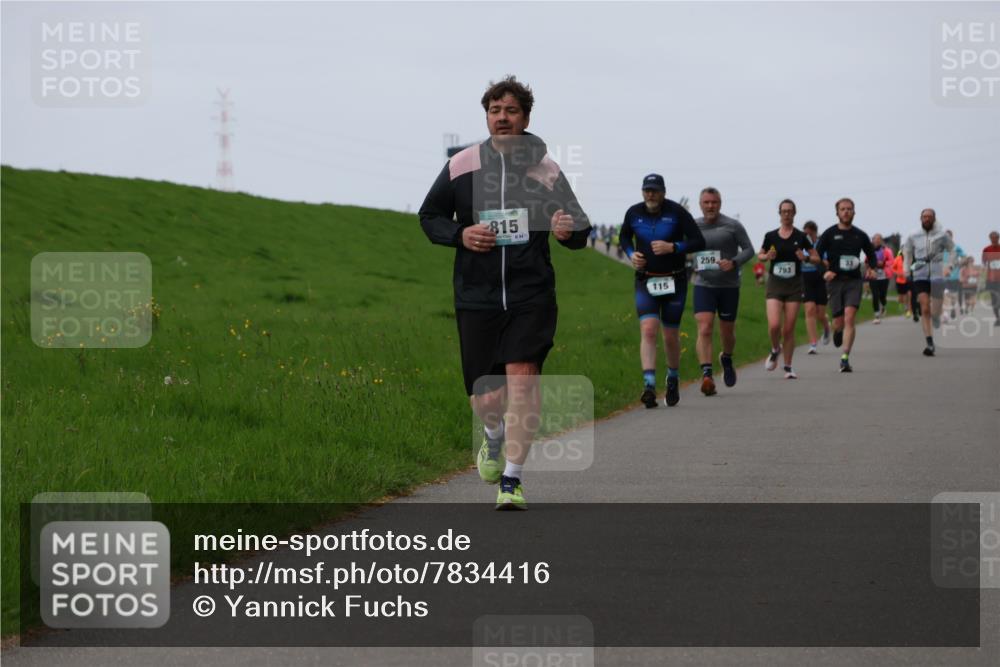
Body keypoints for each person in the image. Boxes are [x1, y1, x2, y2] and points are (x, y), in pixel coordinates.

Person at [418, 76, 591, 510]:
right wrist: (461, 234)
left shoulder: (546, 168)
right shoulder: (462, 165)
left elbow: (579, 226)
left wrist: (567, 229)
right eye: (495, 111)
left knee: (524, 377)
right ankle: (493, 439)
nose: (502, 118)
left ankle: (512, 480)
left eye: (511, 110)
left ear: (526, 118)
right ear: (487, 117)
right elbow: (430, 215)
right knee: (487, 398)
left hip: (530, 293)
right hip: (477, 296)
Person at [620, 173, 705, 408]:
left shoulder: (677, 212)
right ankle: (648, 385)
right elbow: (624, 237)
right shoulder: (633, 212)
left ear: (664, 192)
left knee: (669, 335)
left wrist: (674, 247)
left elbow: (699, 241)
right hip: (645, 280)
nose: (650, 194)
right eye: (647, 190)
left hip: (674, 281)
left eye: (655, 190)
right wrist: (630, 254)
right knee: (648, 329)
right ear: (642, 192)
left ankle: (673, 378)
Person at [691, 187, 754, 395]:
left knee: (727, 331)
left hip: (728, 286)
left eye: (714, 202)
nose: (710, 206)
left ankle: (726, 357)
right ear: (700, 204)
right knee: (705, 327)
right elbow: (682, 247)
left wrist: (734, 263)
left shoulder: (732, 225)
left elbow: (749, 250)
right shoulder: (693, 225)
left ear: (720, 203)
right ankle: (707, 374)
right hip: (703, 284)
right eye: (706, 202)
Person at [814, 198, 878, 373]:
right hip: (834, 282)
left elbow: (871, 255)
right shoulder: (829, 234)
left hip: (853, 281)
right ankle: (837, 331)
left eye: (849, 209)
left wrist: (872, 268)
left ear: (854, 212)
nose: (846, 212)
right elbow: (816, 256)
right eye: (843, 209)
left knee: (850, 317)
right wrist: (823, 272)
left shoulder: (860, 235)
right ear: (837, 212)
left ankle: (845, 358)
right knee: (838, 322)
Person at [759, 199, 819, 379]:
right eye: (783, 211)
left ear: (794, 213)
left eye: (789, 211)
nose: (786, 214)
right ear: (779, 214)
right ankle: (775, 348)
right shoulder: (770, 235)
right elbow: (760, 255)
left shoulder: (801, 237)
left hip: (794, 285)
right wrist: (767, 256)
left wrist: (806, 257)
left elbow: (817, 258)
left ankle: (788, 366)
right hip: (775, 284)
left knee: (788, 328)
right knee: (775, 325)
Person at [902, 208, 954, 356]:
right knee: (924, 308)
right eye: (924, 217)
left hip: (937, 273)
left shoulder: (941, 235)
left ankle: (936, 317)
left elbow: (952, 250)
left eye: (929, 217)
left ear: (934, 218)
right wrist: (906, 270)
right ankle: (929, 343)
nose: (926, 219)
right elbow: (907, 253)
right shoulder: (913, 235)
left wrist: (948, 266)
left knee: (935, 310)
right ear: (920, 218)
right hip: (920, 273)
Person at [801, 221, 831, 354]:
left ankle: (826, 327)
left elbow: (826, 262)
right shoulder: (800, 245)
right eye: (804, 233)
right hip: (805, 279)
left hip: (820, 278)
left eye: (808, 233)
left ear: (814, 232)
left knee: (820, 313)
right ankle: (813, 343)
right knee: (809, 310)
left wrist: (813, 259)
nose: (806, 235)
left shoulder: (821, 244)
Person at [868, 234, 894, 324]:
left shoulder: (887, 251)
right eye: (875, 239)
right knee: (875, 295)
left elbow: (891, 261)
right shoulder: (869, 250)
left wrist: (882, 264)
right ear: (872, 240)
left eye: (879, 239)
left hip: (884, 275)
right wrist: (871, 266)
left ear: (881, 241)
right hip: (873, 275)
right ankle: (876, 315)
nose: (877, 241)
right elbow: (866, 261)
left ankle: (883, 305)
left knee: (882, 295)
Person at [983, 231, 1000, 326]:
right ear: (990, 239)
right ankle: (997, 318)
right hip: (991, 279)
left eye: (996, 238)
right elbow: (984, 264)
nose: (994, 240)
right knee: (994, 300)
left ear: (998, 238)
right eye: (992, 238)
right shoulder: (986, 250)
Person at [892, 251, 912, 319]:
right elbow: (893, 268)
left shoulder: (910, 258)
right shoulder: (898, 258)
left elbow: (913, 267)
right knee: (901, 296)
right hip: (899, 280)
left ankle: (908, 310)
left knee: (908, 294)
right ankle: (901, 305)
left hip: (908, 280)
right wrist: (897, 274)